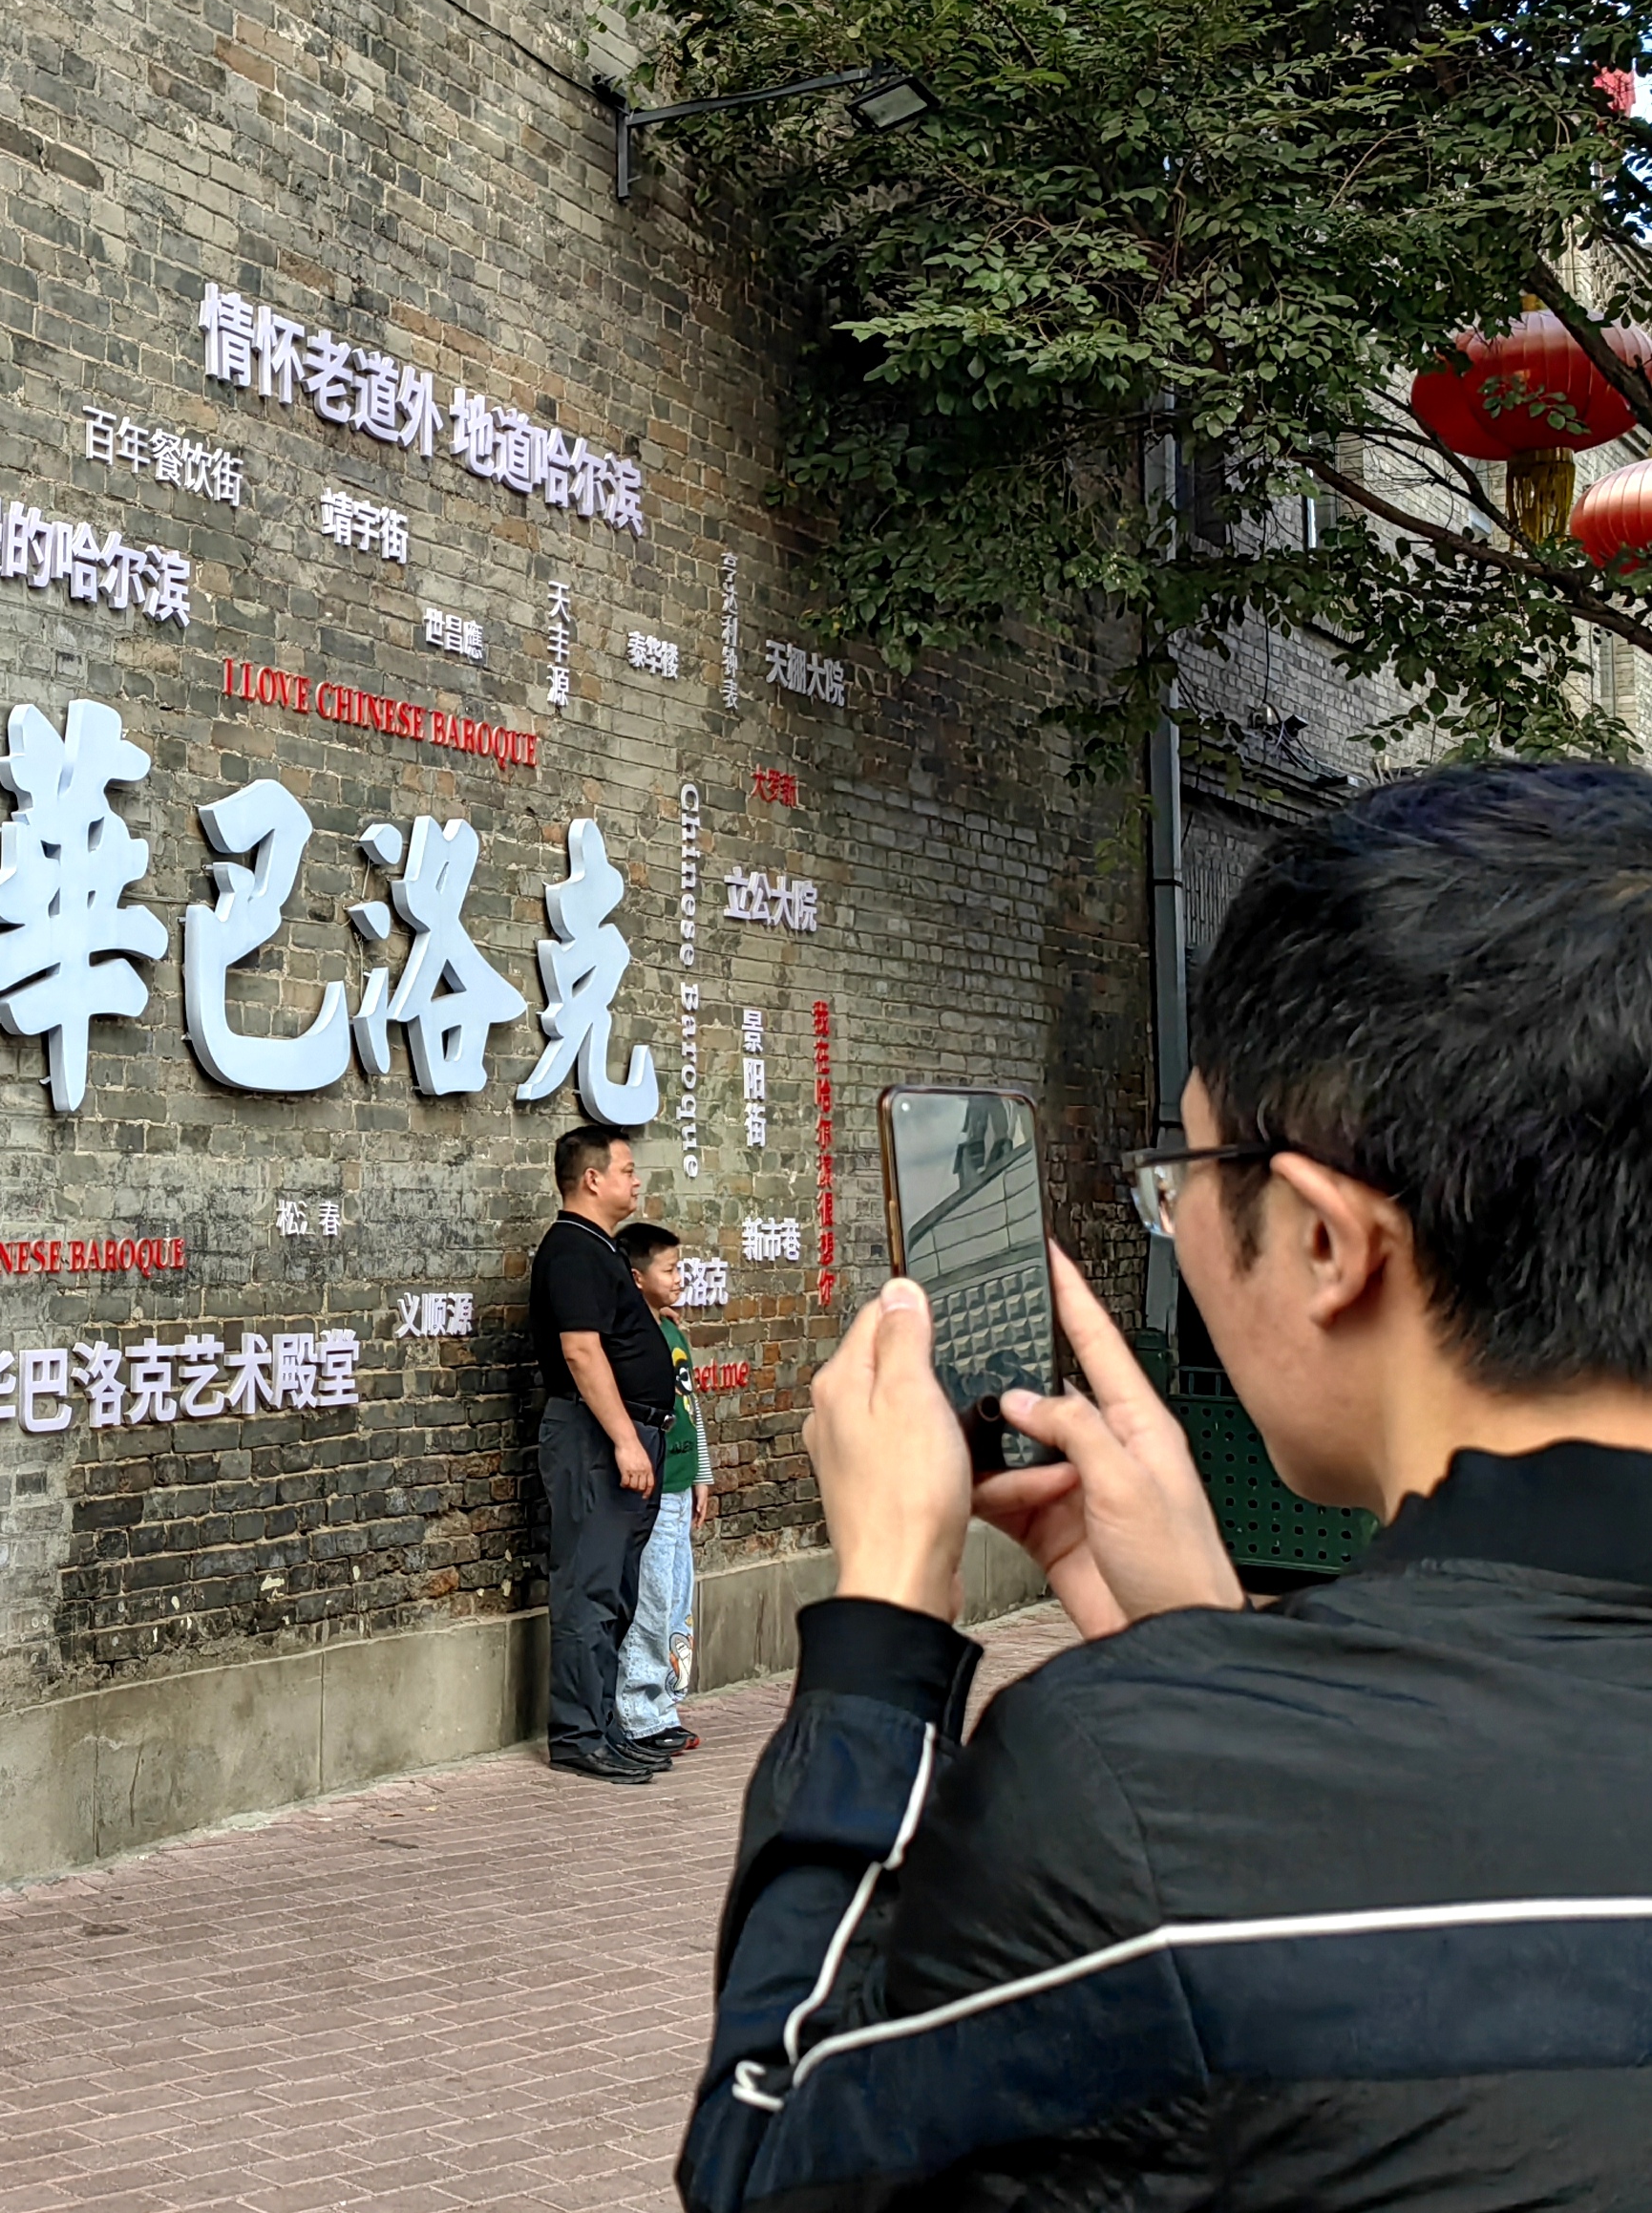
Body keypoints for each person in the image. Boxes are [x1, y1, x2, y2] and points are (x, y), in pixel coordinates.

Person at [679, 762, 1652, 2210]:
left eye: (1185, 1169)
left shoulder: (1132, 1795)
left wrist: (883, 1621)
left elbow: (775, 2162)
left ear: (1324, 1242)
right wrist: (1215, 1644)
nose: (1178, 1215)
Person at [532, 1123, 681, 1783]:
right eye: (626, 1169)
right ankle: (577, 1736)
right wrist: (623, 1439)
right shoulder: (571, 1249)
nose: (636, 1180)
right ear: (592, 1179)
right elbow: (581, 1351)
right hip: (596, 1440)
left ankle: (607, 1724)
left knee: (617, 1593)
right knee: (588, 1593)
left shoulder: (602, 1250)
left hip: (630, 1436)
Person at [613, 1222, 713, 1757]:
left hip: (678, 1486)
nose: (679, 1279)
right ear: (637, 1277)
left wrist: (702, 1474)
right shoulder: (635, 1340)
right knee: (649, 1603)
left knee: (677, 1602)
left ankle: (665, 1703)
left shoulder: (674, 1334)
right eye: (670, 1270)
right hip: (651, 1491)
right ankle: (638, 1713)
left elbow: (691, 1408)